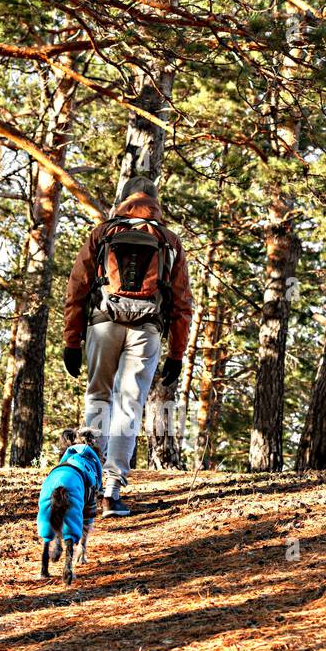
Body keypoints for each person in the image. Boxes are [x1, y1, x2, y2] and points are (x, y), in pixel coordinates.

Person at [61, 176, 193, 517]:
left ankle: (87, 482)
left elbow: (76, 289)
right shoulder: (168, 240)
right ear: (155, 202)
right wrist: (177, 354)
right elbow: (181, 304)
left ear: (122, 200)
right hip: (146, 329)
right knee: (129, 406)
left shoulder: (103, 233)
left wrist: (71, 342)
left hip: (103, 322)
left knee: (98, 397)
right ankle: (112, 491)